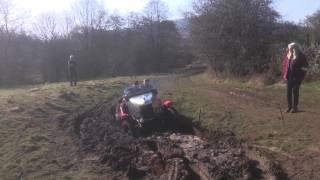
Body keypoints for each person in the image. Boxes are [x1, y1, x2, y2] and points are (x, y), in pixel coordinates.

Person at [282, 42, 308, 113]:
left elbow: (305, 67)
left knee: (295, 91)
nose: (289, 49)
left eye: (290, 48)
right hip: (289, 76)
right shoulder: (288, 55)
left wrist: (302, 76)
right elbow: (284, 64)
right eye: (289, 48)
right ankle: (289, 107)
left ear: (295, 48)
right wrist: (285, 74)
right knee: (288, 92)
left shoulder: (301, 56)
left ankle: (295, 107)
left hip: (297, 77)